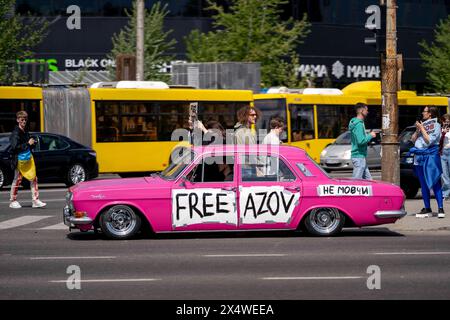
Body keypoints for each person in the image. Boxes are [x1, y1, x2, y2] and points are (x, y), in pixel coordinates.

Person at [410, 106, 444, 218]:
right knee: (423, 184)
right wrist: (417, 130)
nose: (422, 113)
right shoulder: (422, 125)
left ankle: (440, 208)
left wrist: (422, 128)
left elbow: (429, 140)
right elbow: (413, 140)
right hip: (419, 157)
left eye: (424, 111)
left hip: (430, 157)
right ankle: (427, 208)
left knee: (435, 182)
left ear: (430, 114)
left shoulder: (437, 125)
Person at [9, 111, 46, 209]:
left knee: (33, 178)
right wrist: (28, 144)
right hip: (19, 160)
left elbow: (27, 144)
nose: (24, 121)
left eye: (25, 119)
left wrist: (33, 143)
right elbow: (15, 147)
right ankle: (13, 201)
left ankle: (35, 200)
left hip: (27, 158)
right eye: (22, 119)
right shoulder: (15, 133)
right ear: (17, 120)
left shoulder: (25, 131)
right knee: (17, 179)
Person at [348, 103, 376, 179]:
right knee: (356, 183)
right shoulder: (358, 125)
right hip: (358, 156)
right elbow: (361, 141)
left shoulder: (356, 123)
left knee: (369, 180)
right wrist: (370, 135)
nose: (367, 112)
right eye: (366, 110)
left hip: (360, 156)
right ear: (362, 111)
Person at [439, 114, 450, 201]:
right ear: (442, 121)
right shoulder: (439, 130)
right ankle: (446, 194)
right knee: (444, 174)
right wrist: (443, 133)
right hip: (442, 153)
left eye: (448, 121)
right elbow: (438, 141)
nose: (446, 122)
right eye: (444, 121)